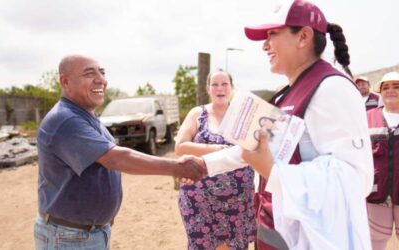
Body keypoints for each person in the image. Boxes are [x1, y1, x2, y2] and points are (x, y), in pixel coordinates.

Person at [199, 1, 374, 249]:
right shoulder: (289, 92)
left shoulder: (333, 88)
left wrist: (273, 170)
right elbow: (257, 147)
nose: (264, 45)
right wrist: (203, 165)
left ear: (303, 37)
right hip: (281, 231)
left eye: (272, 34)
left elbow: (356, 179)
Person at [34, 55, 207, 250]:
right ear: (65, 82)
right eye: (89, 73)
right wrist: (176, 168)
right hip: (69, 237)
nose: (101, 80)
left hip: (87, 233)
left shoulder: (86, 116)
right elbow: (115, 158)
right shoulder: (65, 120)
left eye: (102, 72)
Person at [175, 70, 256, 250]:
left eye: (225, 84)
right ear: (208, 89)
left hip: (239, 200)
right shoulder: (198, 114)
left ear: (232, 88)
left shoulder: (243, 115)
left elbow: (256, 148)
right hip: (200, 200)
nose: (220, 88)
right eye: (215, 84)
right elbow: (179, 146)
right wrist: (218, 149)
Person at [366, 71, 399, 250]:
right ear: (380, 92)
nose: (391, 90)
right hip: (376, 191)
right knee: (375, 241)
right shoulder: (367, 117)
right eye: (386, 87)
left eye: (396, 86)